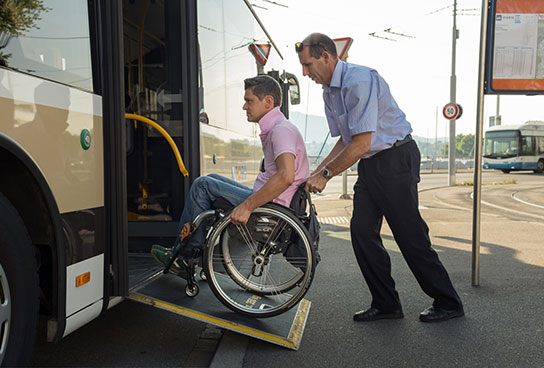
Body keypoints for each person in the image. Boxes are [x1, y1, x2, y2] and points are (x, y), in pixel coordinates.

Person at [295, 33, 463, 323]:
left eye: (308, 65)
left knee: (409, 235)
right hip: (371, 164)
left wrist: (326, 174)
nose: (305, 73)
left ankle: (448, 301)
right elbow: (345, 141)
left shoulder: (358, 80)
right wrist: (315, 171)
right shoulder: (329, 92)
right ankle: (386, 303)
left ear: (326, 56)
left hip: (395, 158)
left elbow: (360, 144)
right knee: (361, 232)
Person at [151, 75, 310, 275]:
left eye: (249, 100)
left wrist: (247, 206)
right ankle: (190, 250)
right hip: (276, 201)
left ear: (268, 102)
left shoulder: (281, 131)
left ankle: (185, 257)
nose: (244, 107)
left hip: (273, 207)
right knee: (213, 179)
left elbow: (286, 176)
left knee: (202, 185)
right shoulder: (279, 128)